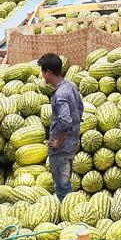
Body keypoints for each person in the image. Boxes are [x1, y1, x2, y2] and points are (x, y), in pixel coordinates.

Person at [39, 53, 82, 200]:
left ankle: (67, 214)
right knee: (66, 179)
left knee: (62, 187)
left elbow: (65, 121)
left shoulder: (60, 95)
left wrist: (59, 141)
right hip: (72, 143)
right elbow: (80, 108)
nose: (42, 76)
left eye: (43, 72)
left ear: (48, 72)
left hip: (61, 148)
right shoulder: (70, 86)